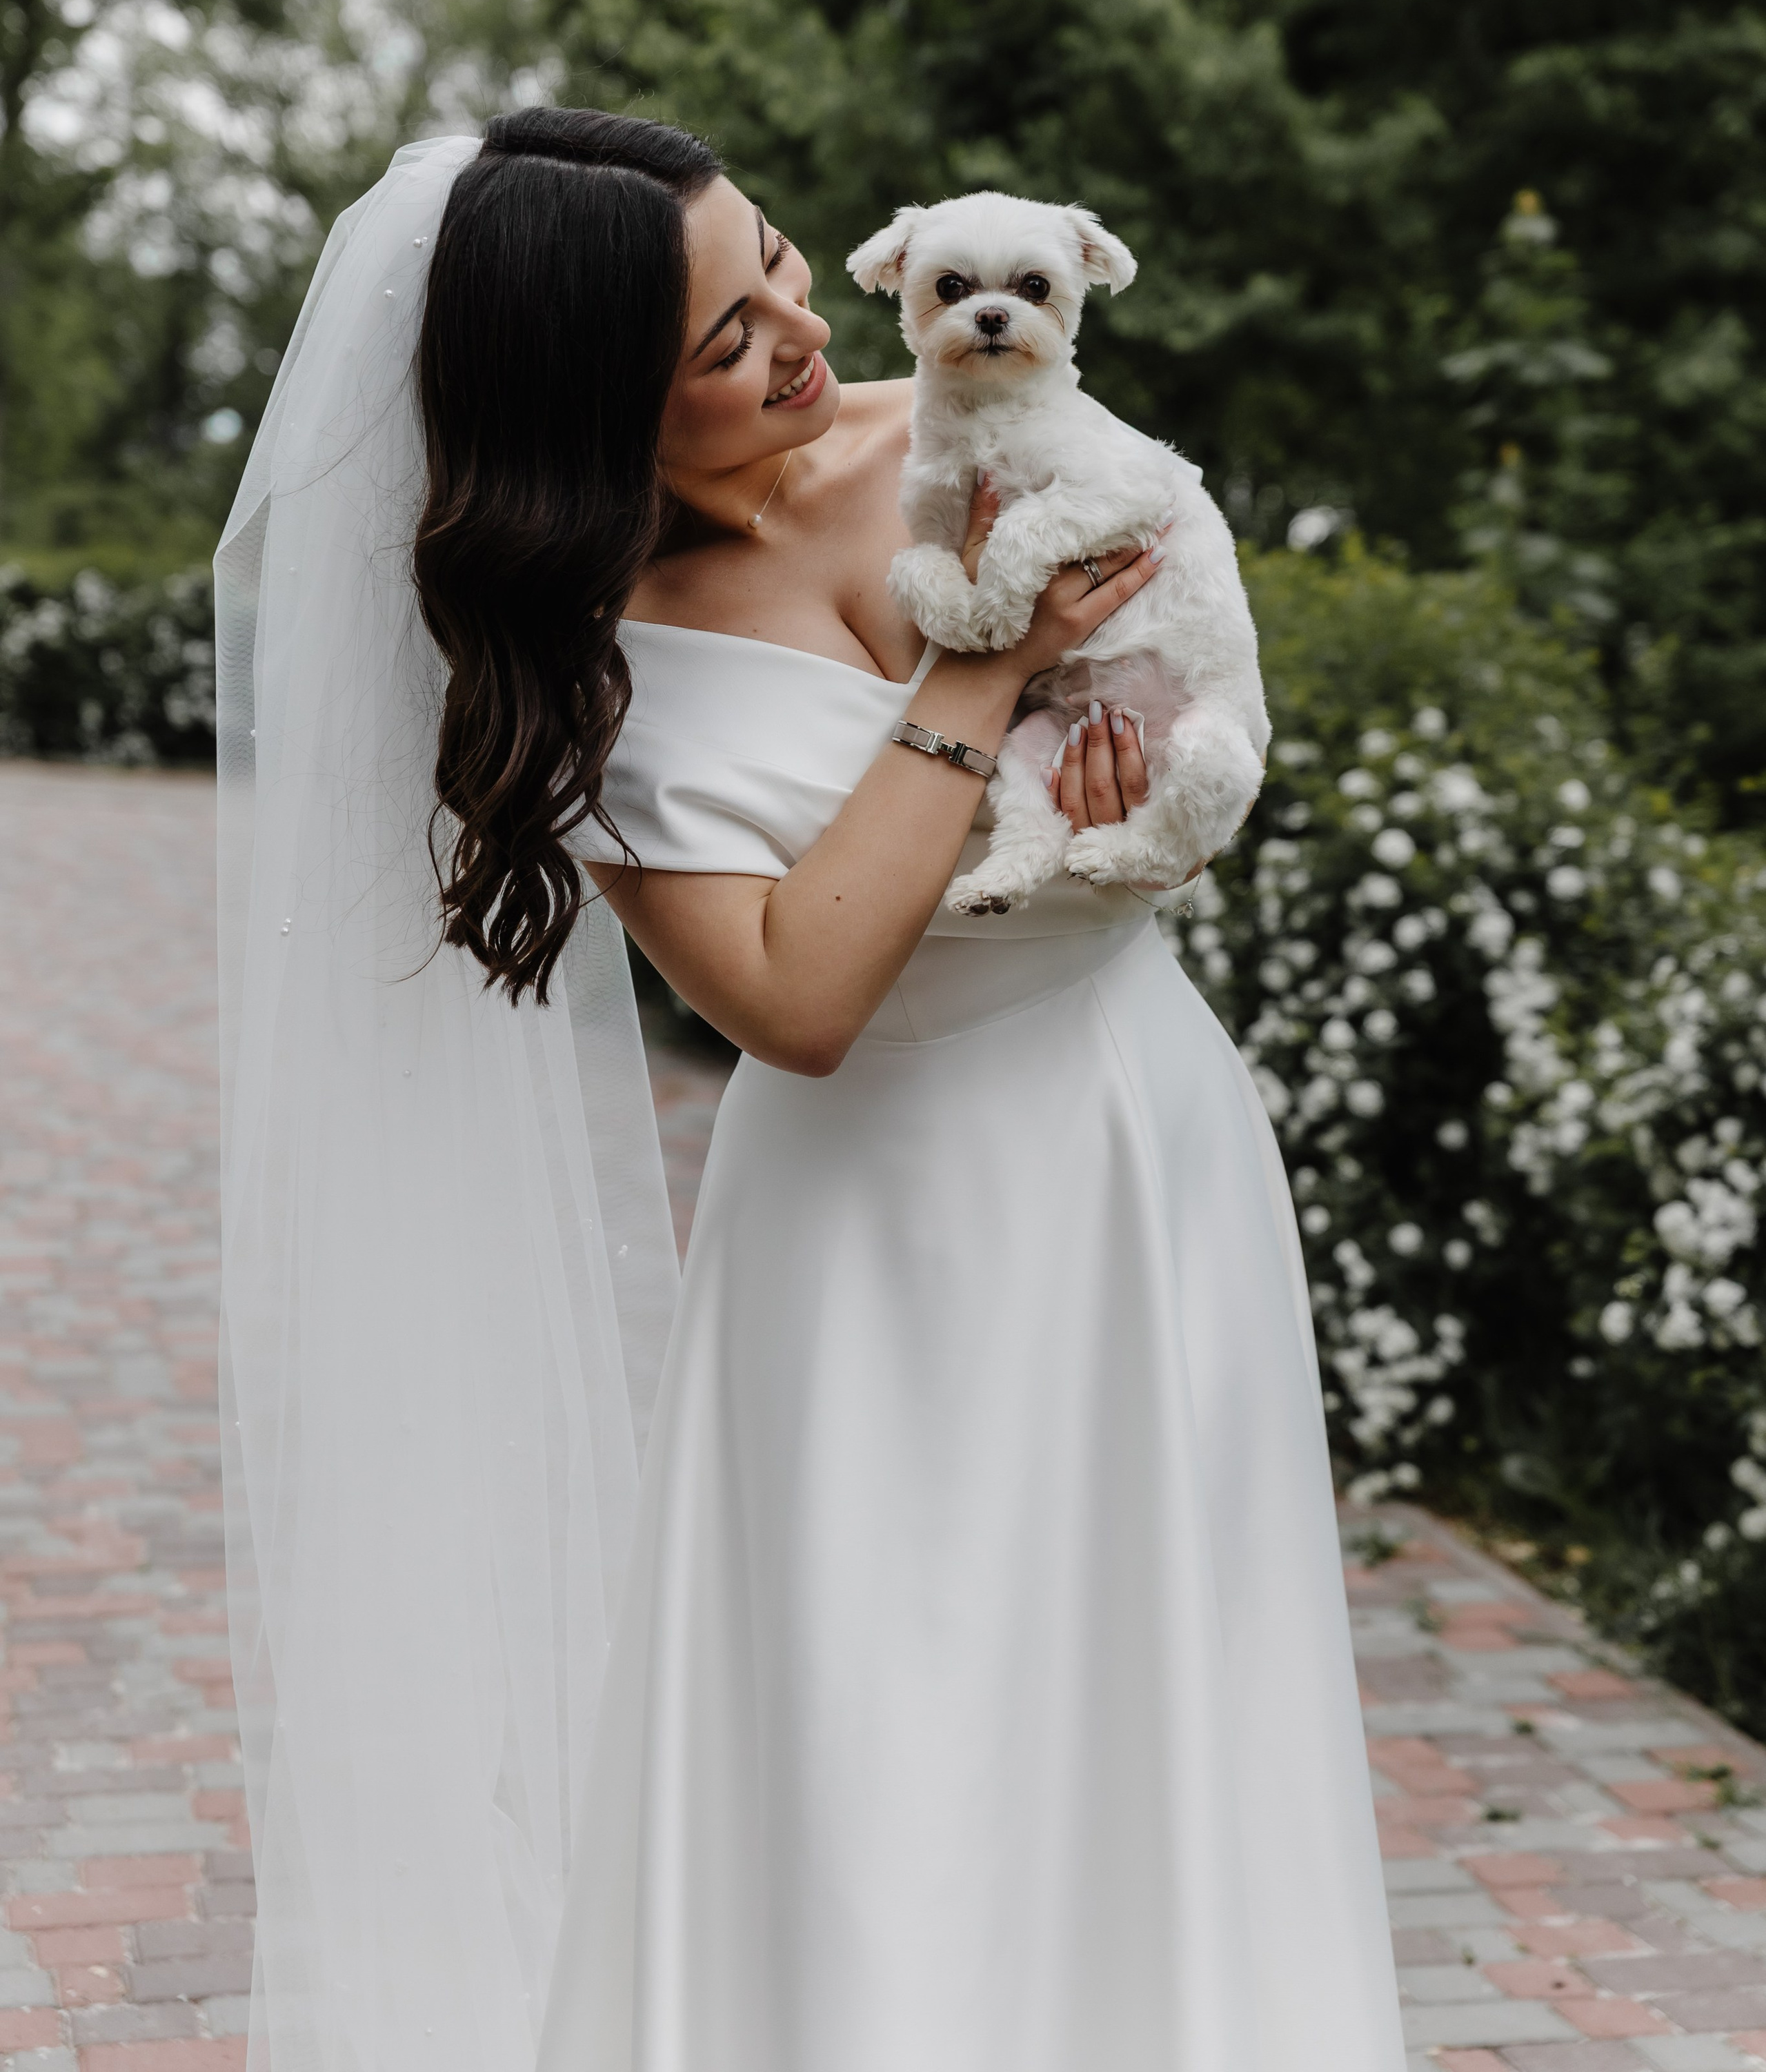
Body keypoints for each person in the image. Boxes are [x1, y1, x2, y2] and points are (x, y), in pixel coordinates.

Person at [217, 110, 1404, 2072]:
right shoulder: (588, 665)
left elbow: (1186, 697)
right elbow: (803, 988)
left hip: (1136, 1154)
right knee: (895, 1752)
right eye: (719, 344)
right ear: (595, 418)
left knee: (1156, 1709)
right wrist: (975, 678)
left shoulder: (977, 431)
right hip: (870, 1243)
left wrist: (1137, 810)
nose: (795, 332)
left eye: (773, 260)